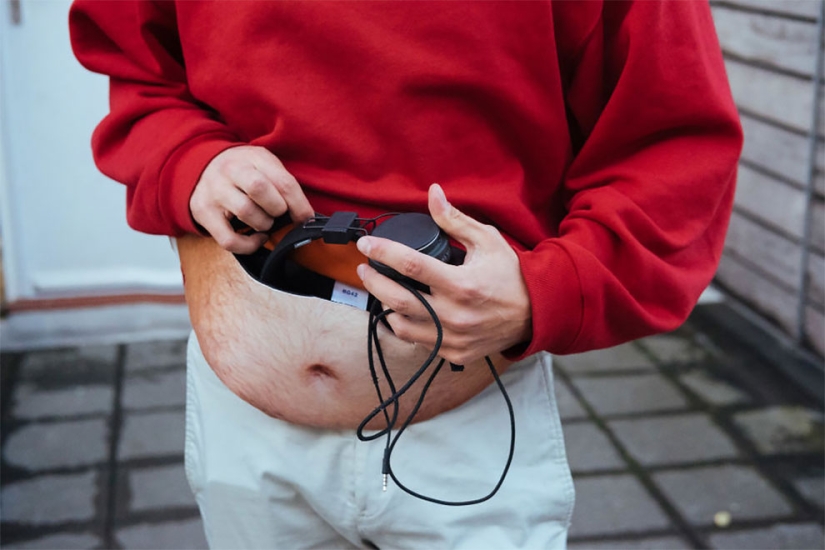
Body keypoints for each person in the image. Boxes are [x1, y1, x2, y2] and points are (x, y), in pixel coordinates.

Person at [69, 1, 742, 547]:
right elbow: (139, 72)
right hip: (243, 427)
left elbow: (670, 144)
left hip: (473, 428)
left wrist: (549, 291)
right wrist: (191, 160)